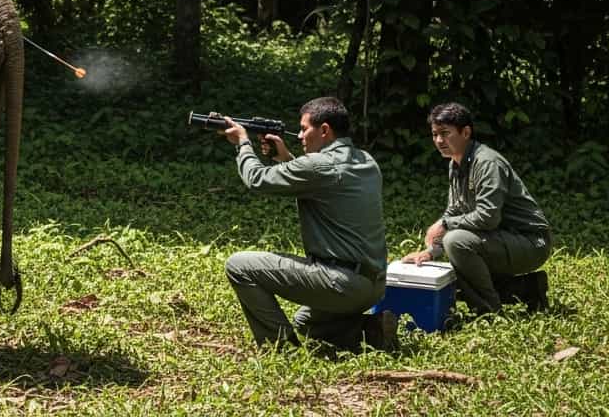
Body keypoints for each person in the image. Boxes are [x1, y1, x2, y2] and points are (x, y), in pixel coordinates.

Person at [220, 97, 396, 353]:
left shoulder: (319, 165)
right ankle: (370, 331)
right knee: (305, 326)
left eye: (304, 129)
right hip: (373, 284)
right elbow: (320, 184)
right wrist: (286, 158)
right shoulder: (366, 160)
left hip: (341, 283)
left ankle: (282, 352)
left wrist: (243, 143)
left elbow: (257, 179)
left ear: (324, 130)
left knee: (239, 265)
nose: (300, 135)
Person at [401, 102, 551, 314]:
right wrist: (431, 252)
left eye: (445, 133)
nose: (439, 141)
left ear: (466, 132)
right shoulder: (455, 163)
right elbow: (455, 211)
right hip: (500, 237)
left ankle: (489, 310)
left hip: (530, 241)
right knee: (455, 263)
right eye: (434, 134)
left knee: (457, 242)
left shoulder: (487, 163)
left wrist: (444, 226)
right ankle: (528, 288)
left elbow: (488, 217)